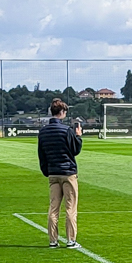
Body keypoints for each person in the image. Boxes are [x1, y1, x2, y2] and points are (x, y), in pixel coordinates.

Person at [37, 98, 83, 249]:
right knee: (70, 207)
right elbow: (75, 150)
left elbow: (41, 155)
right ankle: (71, 240)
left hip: (53, 172)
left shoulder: (43, 132)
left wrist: (47, 171)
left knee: (53, 207)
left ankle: (53, 240)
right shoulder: (66, 131)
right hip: (68, 172)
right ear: (62, 112)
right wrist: (78, 137)